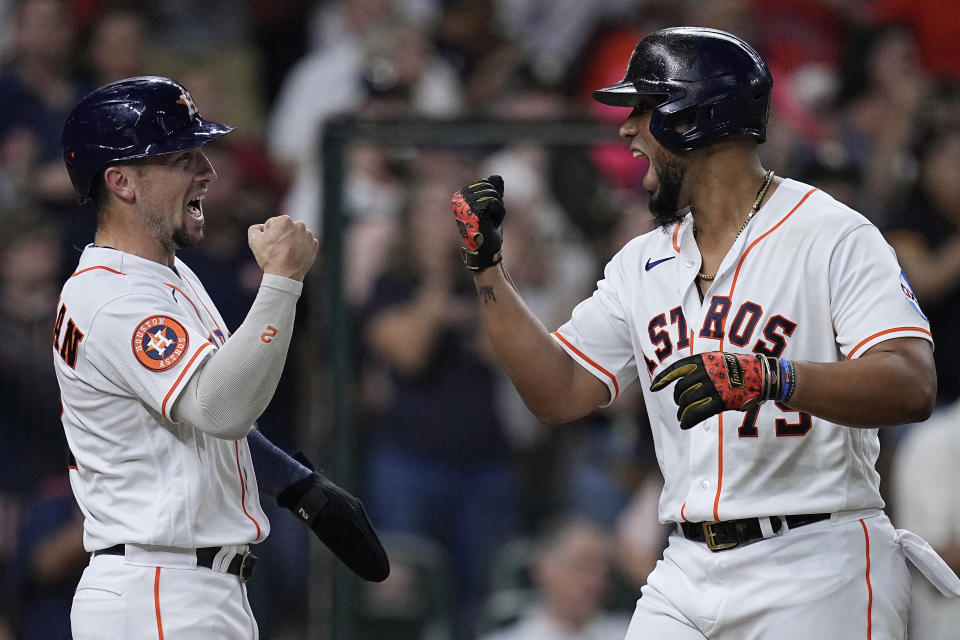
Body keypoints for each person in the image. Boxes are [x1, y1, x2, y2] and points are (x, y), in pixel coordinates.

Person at [450, 27, 960, 638]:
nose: (626, 129)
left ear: (691, 121)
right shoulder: (640, 263)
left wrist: (771, 377)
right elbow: (558, 392)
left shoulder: (833, 235)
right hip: (686, 566)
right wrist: (489, 274)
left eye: (643, 108)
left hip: (818, 560)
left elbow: (911, 384)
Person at [55, 76, 388, 640]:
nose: (207, 169)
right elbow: (220, 409)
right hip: (160, 589)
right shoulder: (115, 298)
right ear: (121, 182)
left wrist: (295, 483)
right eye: (181, 157)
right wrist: (282, 280)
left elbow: (199, 416)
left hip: (183, 586)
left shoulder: (163, 274)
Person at [480, 515, 630, 640]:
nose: (596, 581)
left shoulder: (630, 633)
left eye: (601, 570)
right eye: (583, 567)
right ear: (544, 570)